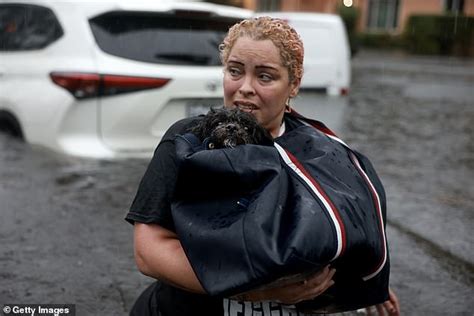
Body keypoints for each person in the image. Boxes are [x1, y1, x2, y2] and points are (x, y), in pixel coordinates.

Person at [126, 16, 400, 316]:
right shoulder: (186, 141)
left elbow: (349, 233)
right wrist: (255, 292)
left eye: (265, 77)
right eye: (234, 71)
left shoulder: (323, 153)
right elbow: (149, 252)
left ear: (293, 83)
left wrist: (365, 286)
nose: (244, 88)